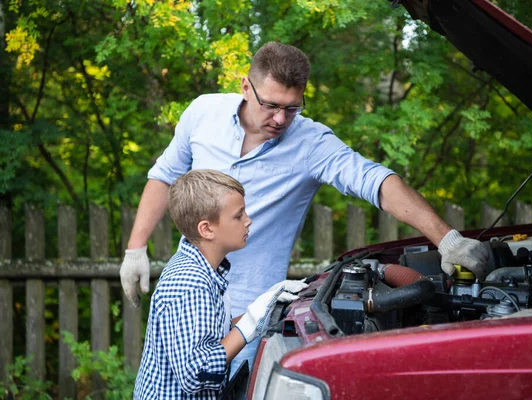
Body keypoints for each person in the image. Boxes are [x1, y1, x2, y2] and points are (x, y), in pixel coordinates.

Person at [121, 41, 490, 375]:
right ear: (246, 87)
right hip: (194, 294)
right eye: (271, 105)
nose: (281, 119)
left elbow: (375, 181)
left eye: (292, 108)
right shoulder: (203, 113)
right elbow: (164, 175)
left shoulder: (310, 143)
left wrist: (448, 240)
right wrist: (136, 248)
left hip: (252, 316)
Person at [133, 169, 307, 399]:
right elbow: (196, 373)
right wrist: (250, 323)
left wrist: (266, 306)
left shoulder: (204, 270)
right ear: (206, 229)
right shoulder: (190, 284)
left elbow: (208, 333)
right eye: (238, 215)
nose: (248, 220)